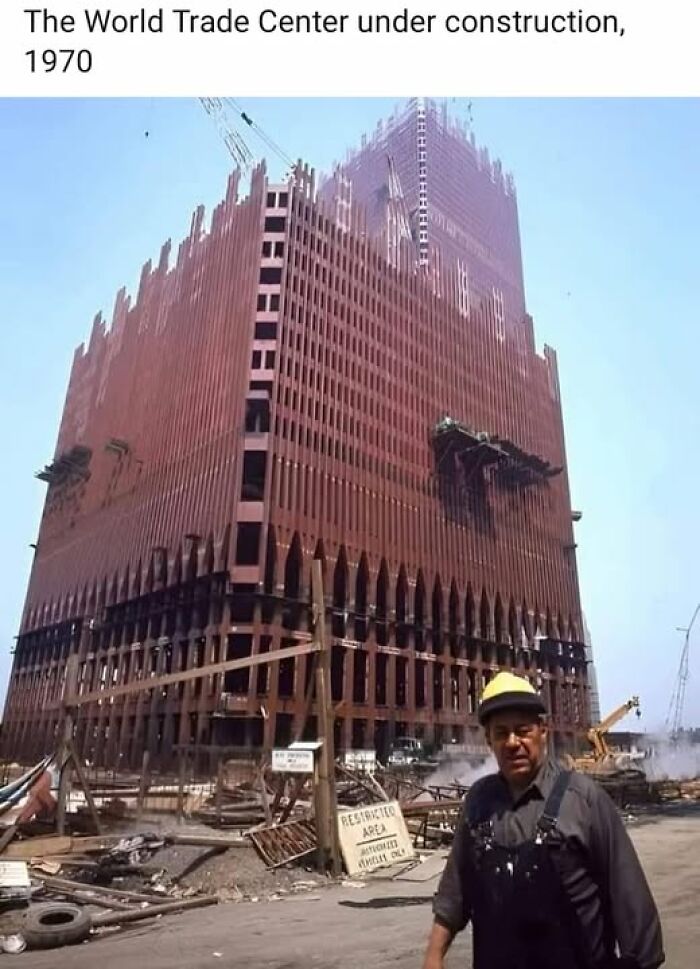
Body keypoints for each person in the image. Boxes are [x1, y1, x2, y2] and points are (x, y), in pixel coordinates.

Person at [422, 671, 664, 969]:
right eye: (501, 733)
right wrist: (433, 956)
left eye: (522, 730)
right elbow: (453, 894)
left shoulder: (584, 800)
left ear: (542, 731)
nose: (512, 742)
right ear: (489, 741)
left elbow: (631, 902)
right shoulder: (478, 802)